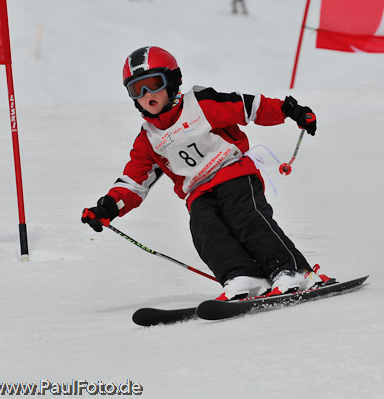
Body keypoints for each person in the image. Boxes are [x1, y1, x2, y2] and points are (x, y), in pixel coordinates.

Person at [82, 46, 329, 300]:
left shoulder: (200, 104)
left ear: (173, 81)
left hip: (233, 174)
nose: (147, 94)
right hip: (198, 193)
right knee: (205, 232)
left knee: (246, 220)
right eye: (137, 89)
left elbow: (248, 107)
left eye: (154, 83)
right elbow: (134, 182)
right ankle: (244, 276)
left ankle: (292, 271)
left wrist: (290, 111)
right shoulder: (148, 139)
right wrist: (109, 207)